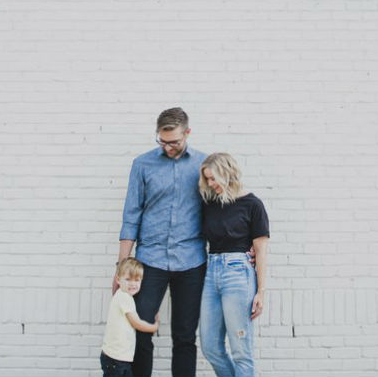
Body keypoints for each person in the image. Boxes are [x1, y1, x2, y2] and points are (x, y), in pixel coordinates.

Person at [115, 107, 207, 377]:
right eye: (162, 141)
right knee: (140, 332)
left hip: (191, 262)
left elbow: (219, 210)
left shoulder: (203, 164)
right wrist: (122, 266)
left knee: (185, 337)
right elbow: (131, 215)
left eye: (174, 142)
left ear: (187, 133)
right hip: (150, 261)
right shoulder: (142, 164)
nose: (168, 147)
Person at [198, 152, 270, 377]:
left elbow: (261, 252)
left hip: (238, 274)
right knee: (210, 347)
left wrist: (261, 291)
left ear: (227, 173)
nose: (210, 184)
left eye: (213, 178)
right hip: (211, 273)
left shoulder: (252, 204)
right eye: (207, 179)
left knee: (241, 351)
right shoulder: (210, 203)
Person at [101, 257, 160, 377]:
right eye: (128, 279)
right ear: (118, 279)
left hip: (118, 358)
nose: (133, 284)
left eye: (137, 280)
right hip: (116, 359)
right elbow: (136, 323)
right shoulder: (124, 297)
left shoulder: (124, 296)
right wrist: (154, 327)